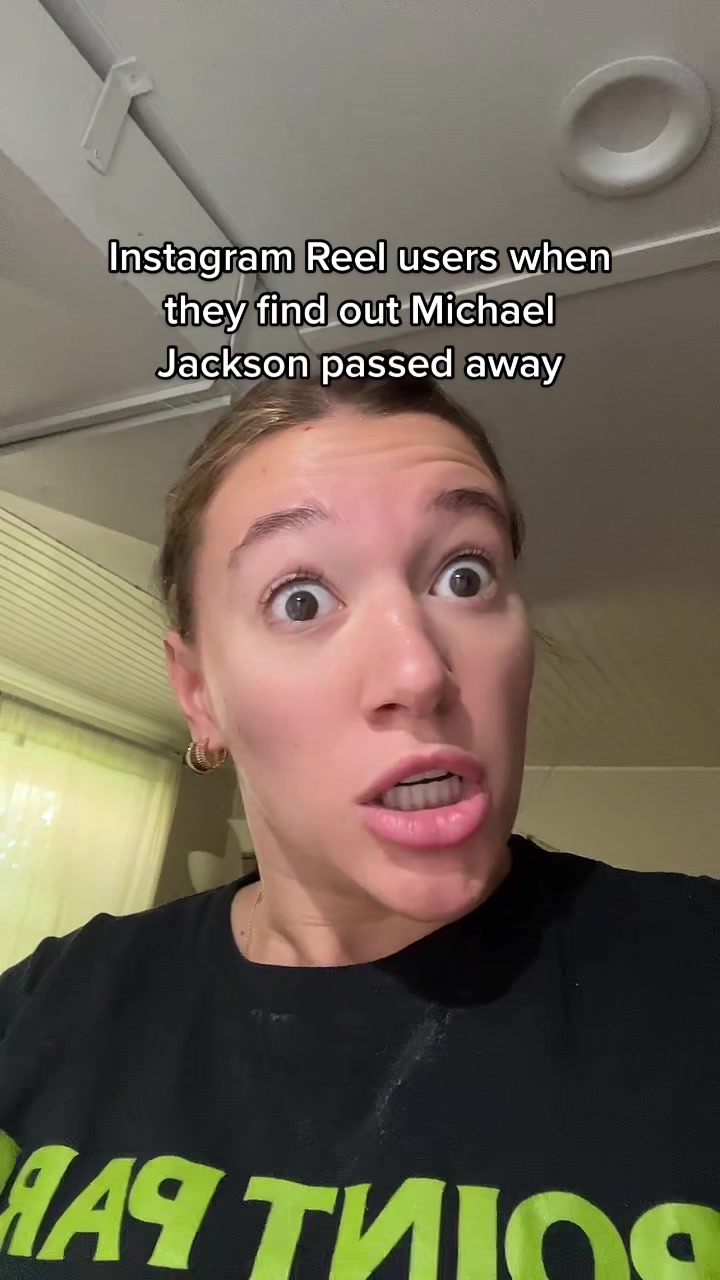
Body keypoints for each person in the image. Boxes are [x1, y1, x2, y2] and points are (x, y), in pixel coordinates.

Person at [0, 370, 717, 1278]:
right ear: (199, 695)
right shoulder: (44, 1012)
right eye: (301, 599)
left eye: (465, 575)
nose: (418, 673)